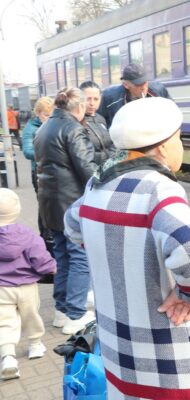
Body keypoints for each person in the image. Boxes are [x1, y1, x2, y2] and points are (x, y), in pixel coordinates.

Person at [65, 97, 190, 399]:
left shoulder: (98, 183)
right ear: (162, 147)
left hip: (118, 352)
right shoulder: (157, 188)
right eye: (179, 138)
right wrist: (189, 295)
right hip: (167, 359)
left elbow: (72, 223)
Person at [32, 87, 98, 335]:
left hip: (49, 202)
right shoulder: (73, 128)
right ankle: (75, 314)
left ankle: (62, 310)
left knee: (62, 256)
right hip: (72, 202)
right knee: (80, 256)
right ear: (79, 107)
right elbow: (86, 168)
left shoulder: (43, 128)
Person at [0, 189, 56, 381]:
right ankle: (35, 345)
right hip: (27, 286)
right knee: (31, 314)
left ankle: (8, 356)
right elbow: (39, 256)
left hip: (2, 288)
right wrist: (51, 268)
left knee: (5, 321)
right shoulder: (26, 234)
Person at [98, 63, 172, 128]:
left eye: (145, 82)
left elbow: (172, 112)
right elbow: (98, 121)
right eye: (138, 84)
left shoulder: (158, 90)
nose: (143, 87)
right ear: (126, 85)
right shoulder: (110, 98)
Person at [21, 97, 55, 192]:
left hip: (55, 170)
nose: (50, 119)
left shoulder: (54, 125)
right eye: (46, 115)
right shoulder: (30, 128)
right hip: (40, 172)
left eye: (52, 115)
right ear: (38, 113)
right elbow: (27, 151)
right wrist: (47, 155)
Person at [80, 81, 117, 167]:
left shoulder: (101, 119)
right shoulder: (76, 121)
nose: (92, 103)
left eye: (96, 99)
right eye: (88, 99)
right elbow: (82, 154)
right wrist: (109, 155)